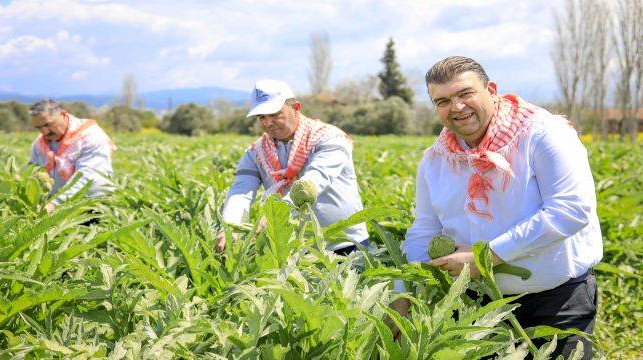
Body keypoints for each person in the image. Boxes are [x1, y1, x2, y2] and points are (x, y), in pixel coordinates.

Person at [396, 56, 602, 358]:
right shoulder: (435, 158)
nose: (456, 107)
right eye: (442, 101)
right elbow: (424, 229)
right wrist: (405, 289)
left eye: (465, 94)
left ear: (491, 90)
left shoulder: (543, 134)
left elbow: (569, 210)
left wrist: (487, 258)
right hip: (475, 307)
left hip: (555, 301)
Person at [217, 79, 369, 254]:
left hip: (345, 244)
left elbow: (313, 181)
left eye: (274, 114)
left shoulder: (329, 138)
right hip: (295, 250)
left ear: (296, 108)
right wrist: (230, 226)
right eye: (261, 117)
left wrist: (276, 216)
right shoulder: (255, 153)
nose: (267, 123)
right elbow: (240, 192)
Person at [28, 99, 115, 213]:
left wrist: (55, 204)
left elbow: (88, 177)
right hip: (57, 207)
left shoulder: (90, 136)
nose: (44, 132)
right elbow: (32, 171)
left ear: (63, 115)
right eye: (39, 127)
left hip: (93, 205)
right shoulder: (40, 143)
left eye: (48, 124)